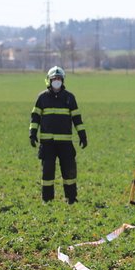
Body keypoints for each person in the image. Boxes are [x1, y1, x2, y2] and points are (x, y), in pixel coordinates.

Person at [30, 66, 87, 203]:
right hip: (47, 143)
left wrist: (82, 135)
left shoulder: (69, 98)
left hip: (65, 143)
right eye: (54, 79)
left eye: (59, 78)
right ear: (49, 81)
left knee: (69, 172)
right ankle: (47, 199)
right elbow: (35, 117)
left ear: (62, 80)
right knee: (47, 172)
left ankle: (71, 198)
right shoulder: (42, 98)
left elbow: (77, 119)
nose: (57, 81)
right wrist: (32, 133)